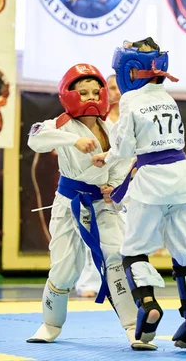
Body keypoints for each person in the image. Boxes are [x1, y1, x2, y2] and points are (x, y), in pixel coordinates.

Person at [26, 64, 156, 351]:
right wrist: (74, 140)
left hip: (102, 204)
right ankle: (50, 324)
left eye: (96, 92)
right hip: (69, 203)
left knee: (116, 259)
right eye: (83, 92)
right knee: (64, 268)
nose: (91, 97)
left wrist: (115, 189)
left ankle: (134, 328)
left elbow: (122, 164)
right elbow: (35, 139)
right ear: (68, 94)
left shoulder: (111, 129)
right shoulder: (61, 124)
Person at [91, 37, 186, 350]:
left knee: (134, 250)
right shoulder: (167, 97)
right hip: (183, 177)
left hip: (152, 181)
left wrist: (108, 157)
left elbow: (127, 147)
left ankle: (148, 305)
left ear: (130, 70)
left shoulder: (131, 101)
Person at [75, 74, 125, 298]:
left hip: (124, 185)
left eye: (118, 88)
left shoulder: (129, 118)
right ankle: (88, 282)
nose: (115, 92)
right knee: (92, 234)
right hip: (96, 184)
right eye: (111, 88)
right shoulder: (95, 121)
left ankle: (119, 281)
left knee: (122, 237)